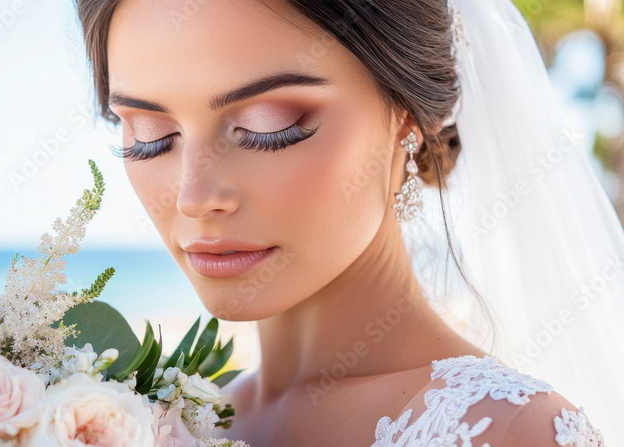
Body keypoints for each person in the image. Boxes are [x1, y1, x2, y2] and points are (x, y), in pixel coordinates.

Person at [73, 0, 624, 446]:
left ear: (408, 117)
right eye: (148, 135)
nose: (194, 197)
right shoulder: (153, 425)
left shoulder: (500, 431)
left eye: (269, 127)